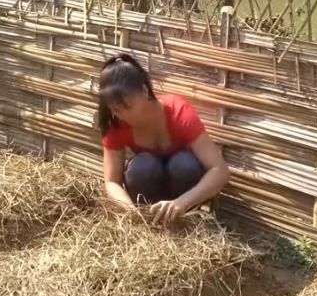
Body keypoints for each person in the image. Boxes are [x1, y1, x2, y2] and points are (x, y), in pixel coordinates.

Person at [97, 53, 232, 226]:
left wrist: (181, 203)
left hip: (184, 196)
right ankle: (151, 222)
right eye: (116, 110)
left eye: (128, 106)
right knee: (142, 167)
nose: (124, 115)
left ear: (144, 91)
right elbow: (111, 182)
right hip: (148, 198)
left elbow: (220, 171)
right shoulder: (115, 125)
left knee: (184, 163)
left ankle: (185, 223)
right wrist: (131, 211)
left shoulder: (178, 112)